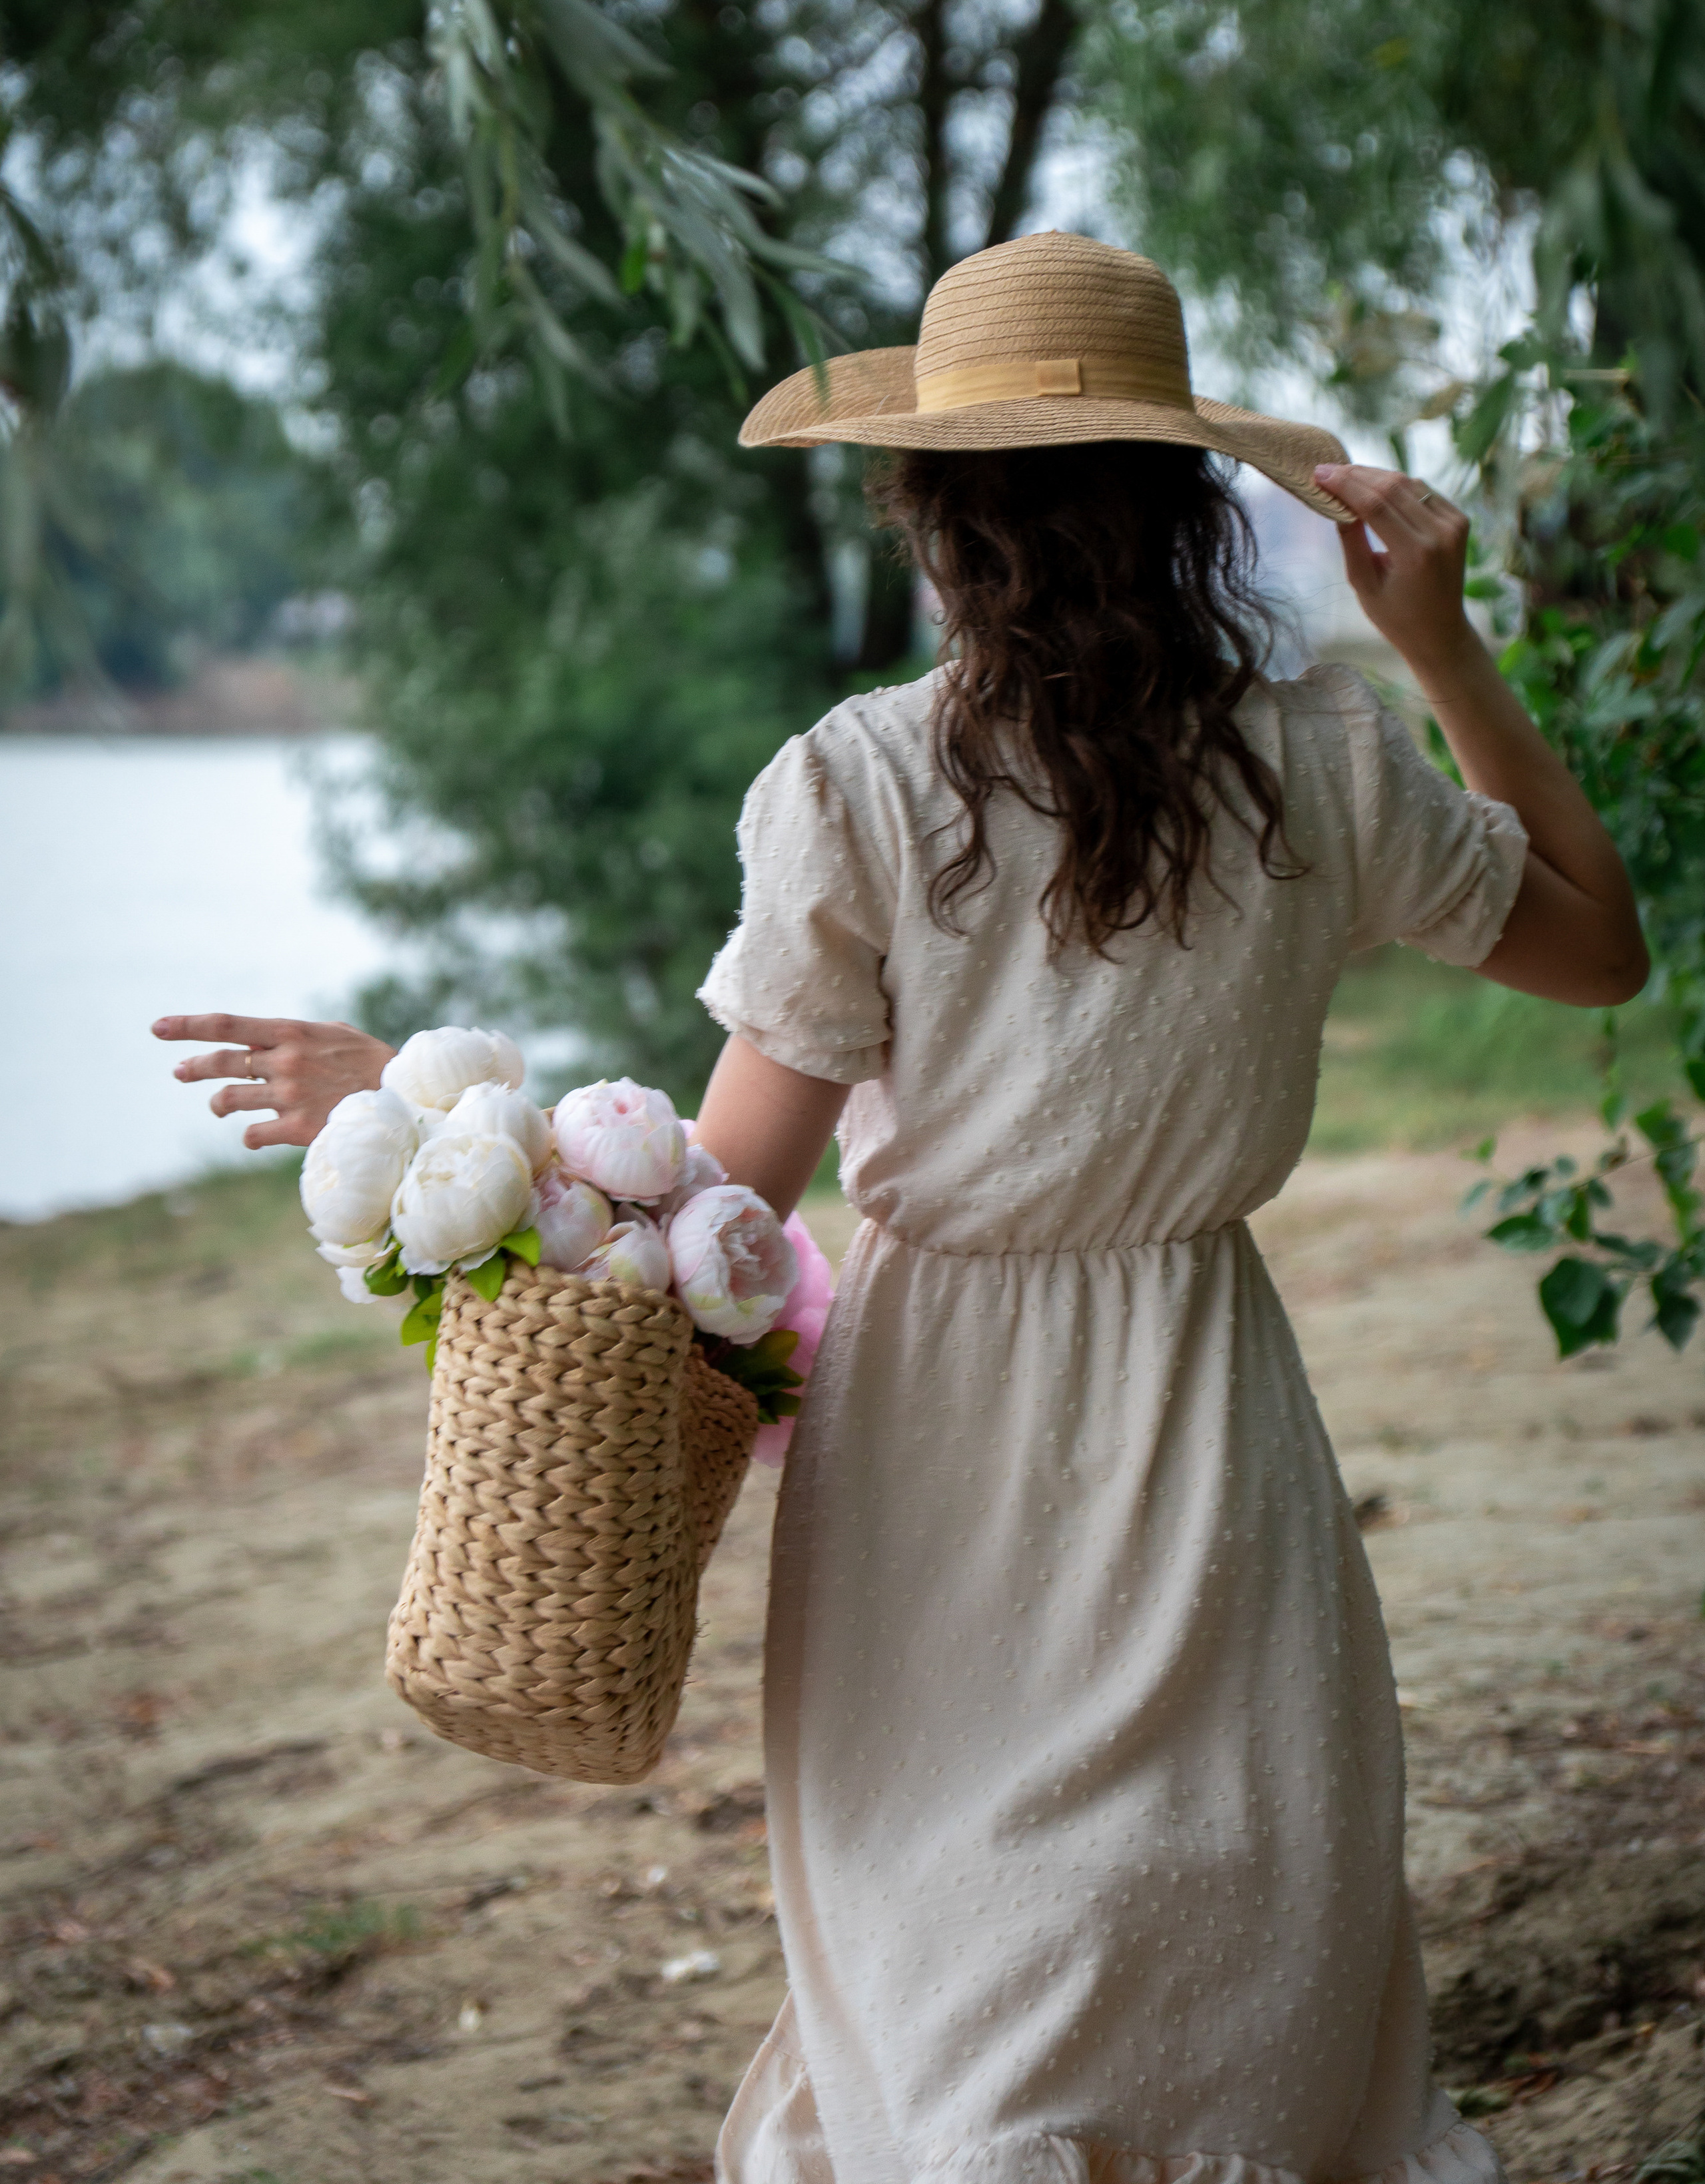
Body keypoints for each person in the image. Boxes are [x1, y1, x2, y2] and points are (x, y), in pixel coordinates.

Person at [156, 234, 1644, 2184]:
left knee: (961, 1930)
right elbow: (1602, 950)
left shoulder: (858, 787)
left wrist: (415, 1105)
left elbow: (710, 1211)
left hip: (942, 1426)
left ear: (946, 520)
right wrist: (1440, 640)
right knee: (1224, 1904)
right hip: (1212, 1407)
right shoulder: (1329, 758)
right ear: (1180, 504)